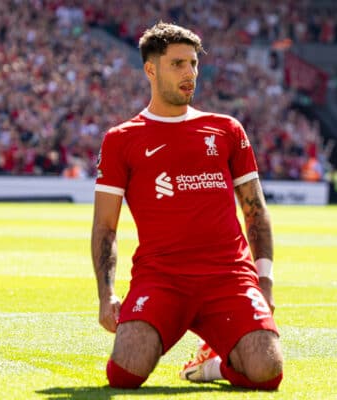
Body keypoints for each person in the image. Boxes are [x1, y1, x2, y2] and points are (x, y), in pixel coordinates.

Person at [90, 22, 283, 390]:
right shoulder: (121, 139)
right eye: (178, 63)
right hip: (162, 278)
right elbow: (105, 227)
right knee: (124, 374)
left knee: (267, 372)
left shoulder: (227, 129)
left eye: (193, 63)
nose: (190, 73)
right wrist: (107, 295)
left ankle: (213, 363)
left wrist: (265, 281)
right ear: (151, 69)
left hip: (229, 277)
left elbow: (255, 210)